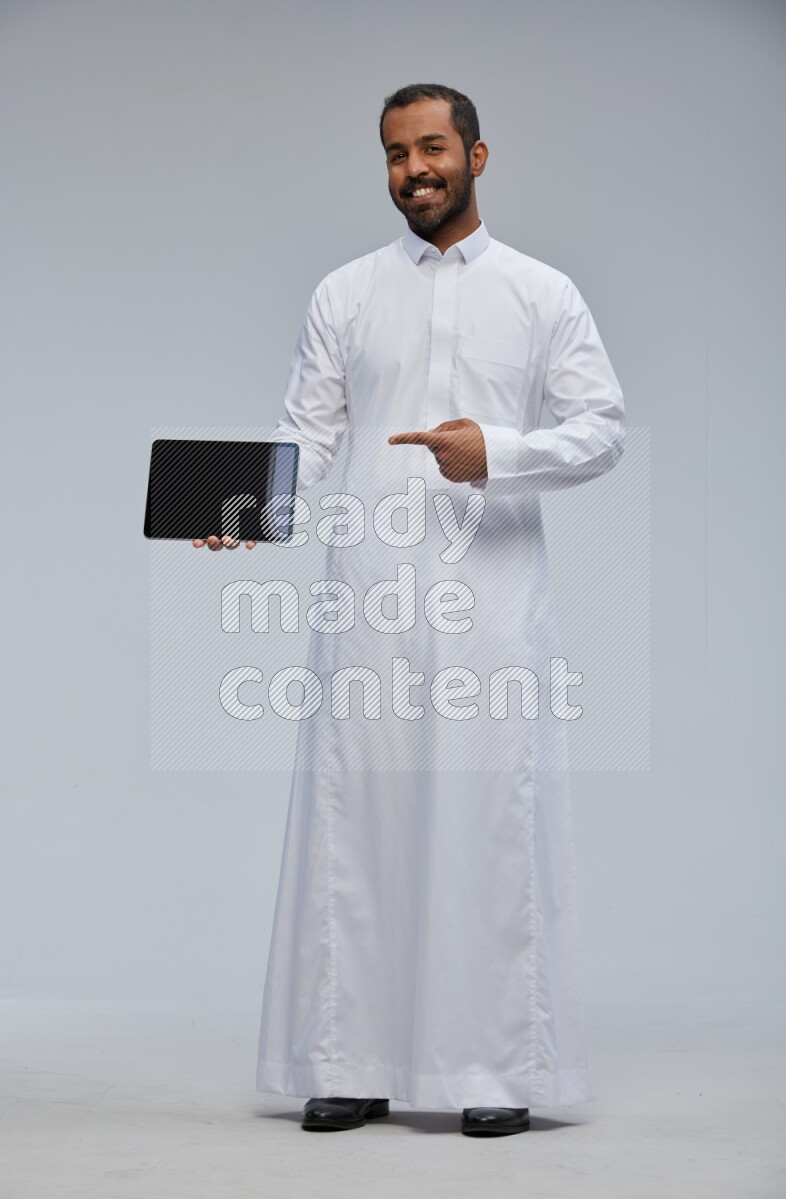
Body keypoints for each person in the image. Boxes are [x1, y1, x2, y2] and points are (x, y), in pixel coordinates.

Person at [195, 82, 625, 1137]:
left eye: (432, 148)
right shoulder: (346, 292)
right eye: (395, 154)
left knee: (488, 824)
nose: (414, 170)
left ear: (477, 155)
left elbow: (601, 428)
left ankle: (495, 1068)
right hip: (370, 600)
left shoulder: (541, 292)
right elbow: (305, 434)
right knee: (361, 821)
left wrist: (498, 452)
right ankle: (352, 1061)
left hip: (492, 602)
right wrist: (242, 508)